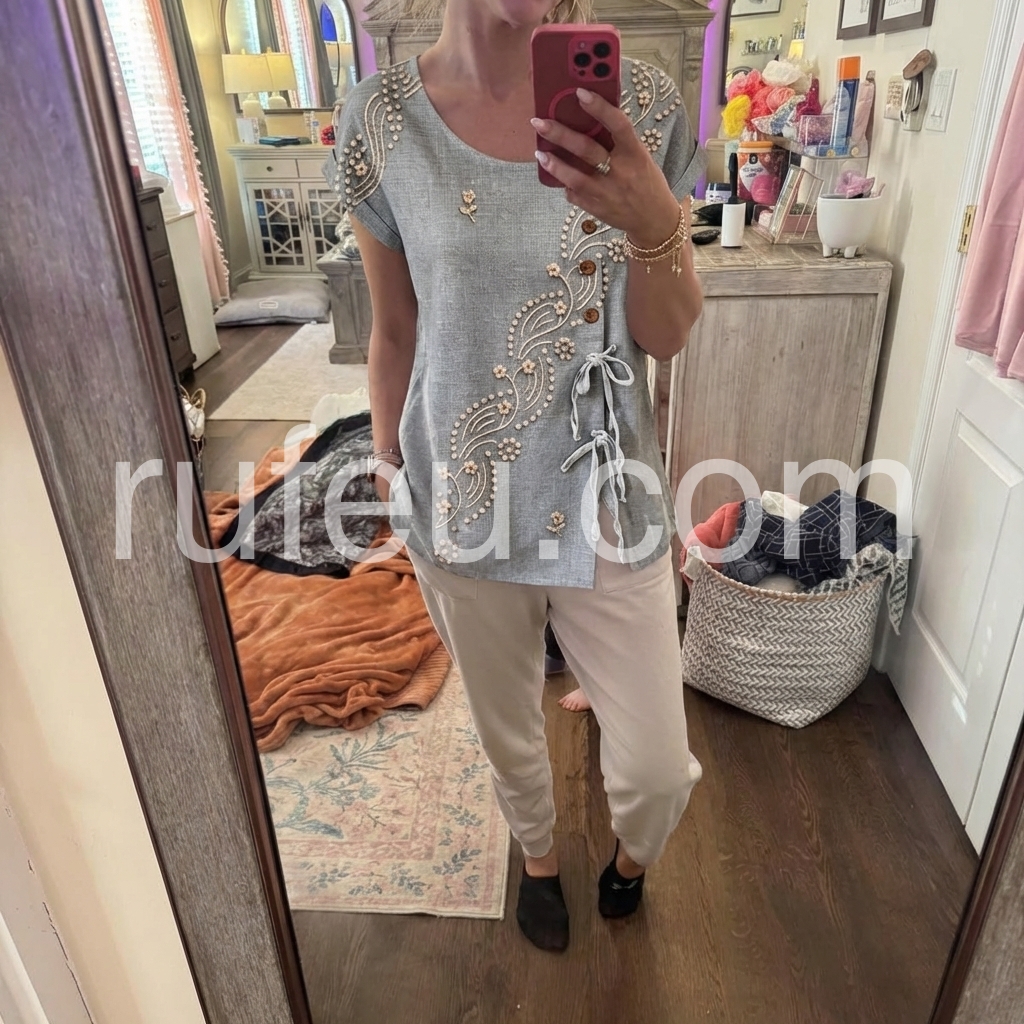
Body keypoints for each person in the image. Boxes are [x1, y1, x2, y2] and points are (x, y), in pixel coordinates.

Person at [329, 0, 704, 952]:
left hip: (607, 489)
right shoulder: (381, 120)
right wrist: (385, 465)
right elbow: (395, 330)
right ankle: (537, 858)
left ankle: (629, 862)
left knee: (658, 771)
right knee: (507, 729)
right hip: (463, 499)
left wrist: (656, 223)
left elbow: (664, 336)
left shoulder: (644, 105)